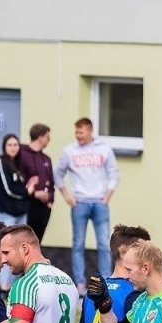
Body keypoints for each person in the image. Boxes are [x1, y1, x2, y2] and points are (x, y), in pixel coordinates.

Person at [55, 118, 118, 283]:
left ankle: (106, 281)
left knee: (104, 244)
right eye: (76, 132)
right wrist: (66, 195)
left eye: (81, 132)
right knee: (78, 244)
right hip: (79, 203)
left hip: (100, 203)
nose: (78, 135)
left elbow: (113, 173)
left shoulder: (104, 149)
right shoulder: (69, 151)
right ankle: (80, 282)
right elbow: (58, 173)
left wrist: (108, 195)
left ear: (90, 130)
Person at [11, 124, 56, 292]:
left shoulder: (46, 159)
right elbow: (19, 181)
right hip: (28, 206)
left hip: (44, 208)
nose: (49, 140)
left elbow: (51, 182)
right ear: (40, 136)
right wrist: (35, 193)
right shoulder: (22, 154)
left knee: (36, 244)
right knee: (23, 243)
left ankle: (33, 283)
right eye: (47, 136)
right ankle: (18, 284)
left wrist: (50, 200)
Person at [0, 134, 32, 226]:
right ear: (4, 147)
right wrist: (27, 192)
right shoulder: (1, 162)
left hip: (22, 212)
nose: (12, 148)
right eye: (9, 145)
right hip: (8, 213)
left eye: (15, 145)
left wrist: (31, 184)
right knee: (7, 235)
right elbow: (8, 189)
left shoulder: (19, 163)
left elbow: (22, 184)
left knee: (22, 236)